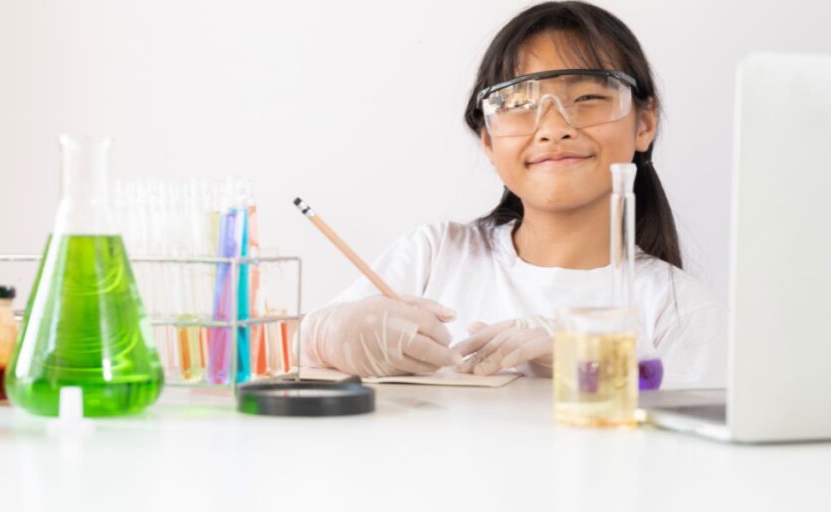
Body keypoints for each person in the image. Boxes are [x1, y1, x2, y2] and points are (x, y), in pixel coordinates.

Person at [300, 1, 726, 389]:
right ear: (487, 140)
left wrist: (591, 364)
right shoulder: (433, 257)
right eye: (519, 103)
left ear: (645, 123)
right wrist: (330, 338)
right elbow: (282, 361)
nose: (553, 127)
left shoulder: (678, 308)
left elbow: (692, 462)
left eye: (589, 97)